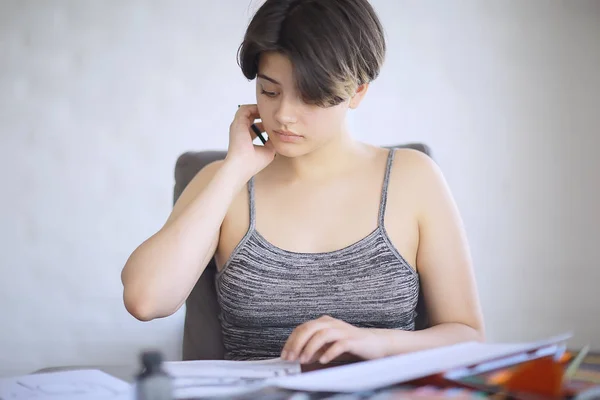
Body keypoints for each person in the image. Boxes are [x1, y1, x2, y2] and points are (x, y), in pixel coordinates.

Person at [121, 0, 485, 365]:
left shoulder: (413, 179)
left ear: (357, 91)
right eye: (269, 91)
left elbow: (468, 335)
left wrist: (377, 342)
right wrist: (234, 170)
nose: (283, 116)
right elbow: (145, 300)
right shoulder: (224, 181)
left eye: (309, 96)